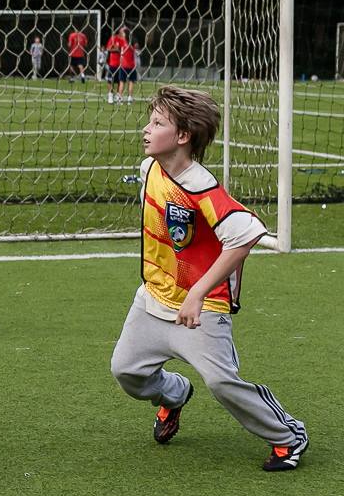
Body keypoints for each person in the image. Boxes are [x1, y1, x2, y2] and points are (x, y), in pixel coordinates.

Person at [110, 86, 307, 471]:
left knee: (221, 383)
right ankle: (174, 394)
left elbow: (246, 235)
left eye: (157, 123)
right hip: (152, 298)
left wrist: (198, 292)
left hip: (202, 310)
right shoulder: (150, 169)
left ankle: (288, 435)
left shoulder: (201, 187)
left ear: (183, 136)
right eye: (150, 121)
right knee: (126, 371)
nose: (146, 130)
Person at [106, 26, 127, 103]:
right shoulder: (113, 38)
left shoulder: (126, 40)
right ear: (120, 31)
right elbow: (108, 49)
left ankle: (118, 96)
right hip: (113, 63)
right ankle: (110, 95)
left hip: (122, 64)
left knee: (120, 81)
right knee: (111, 80)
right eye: (123, 31)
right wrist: (116, 50)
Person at [118, 34, 140, 103]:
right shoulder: (133, 43)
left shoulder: (123, 41)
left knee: (122, 82)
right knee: (131, 82)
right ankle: (129, 99)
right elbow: (137, 47)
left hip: (124, 65)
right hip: (132, 65)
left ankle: (120, 98)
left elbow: (118, 45)